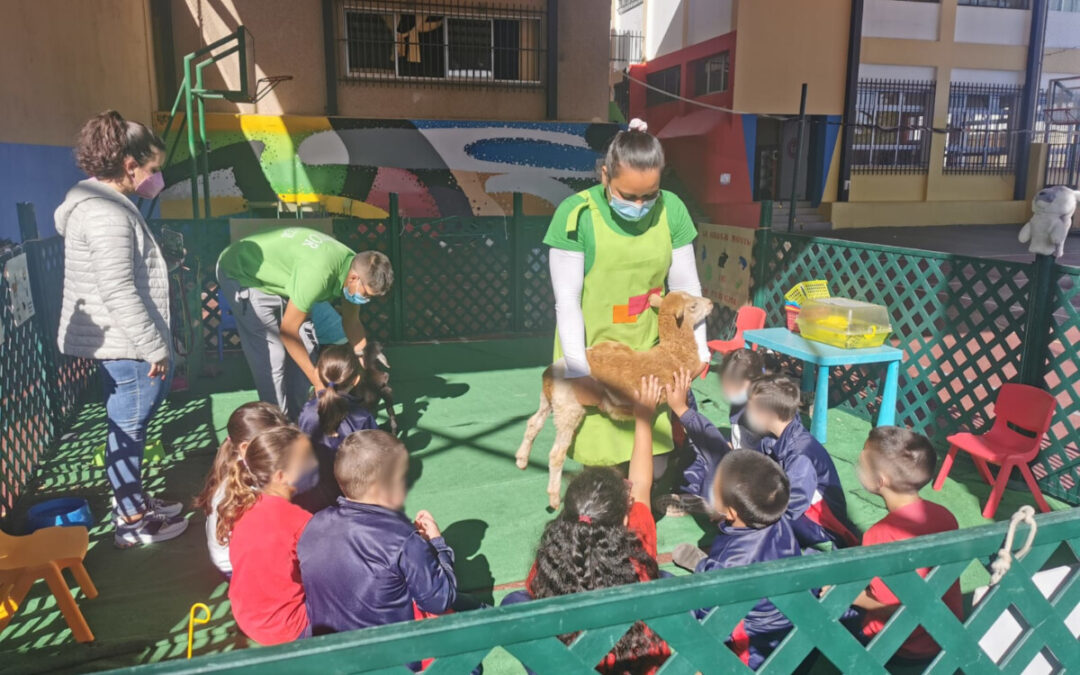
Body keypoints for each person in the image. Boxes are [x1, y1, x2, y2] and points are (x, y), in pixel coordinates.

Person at [545, 118, 709, 473]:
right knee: (601, 464)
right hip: (594, 354)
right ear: (604, 176)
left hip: (650, 353)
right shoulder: (575, 216)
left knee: (656, 459)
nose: (639, 205)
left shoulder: (672, 209)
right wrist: (578, 370)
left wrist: (701, 347)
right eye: (628, 196)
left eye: (649, 195)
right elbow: (567, 301)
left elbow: (686, 288)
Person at [56, 110, 187, 547]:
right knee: (128, 432)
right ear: (130, 165)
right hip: (127, 345)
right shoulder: (106, 214)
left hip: (122, 342)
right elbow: (118, 288)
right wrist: (155, 348)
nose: (156, 177)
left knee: (128, 430)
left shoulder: (98, 204)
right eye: (153, 168)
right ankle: (131, 520)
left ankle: (134, 502)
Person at [503, 375, 671, 675]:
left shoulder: (553, 554)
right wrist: (643, 419)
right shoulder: (637, 538)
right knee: (667, 579)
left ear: (570, 513)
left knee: (515, 602)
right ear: (623, 519)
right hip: (633, 661)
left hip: (568, 662)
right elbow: (642, 484)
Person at [216, 227, 394, 420]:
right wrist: (317, 382)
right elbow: (288, 332)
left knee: (308, 349)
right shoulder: (319, 274)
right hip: (245, 273)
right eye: (366, 294)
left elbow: (351, 320)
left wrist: (363, 361)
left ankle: (299, 418)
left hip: (285, 280)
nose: (365, 300)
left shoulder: (354, 267)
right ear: (353, 278)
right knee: (273, 355)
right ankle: (276, 426)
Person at [298, 430, 457, 638]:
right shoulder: (404, 539)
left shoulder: (314, 524)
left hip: (329, 650)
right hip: (388, 657)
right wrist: (437, 545)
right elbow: (440, 600)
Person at [671, 450, 801, 670]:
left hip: (750, 650)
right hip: (789, 629)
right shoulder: (777, 521)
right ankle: (705, 566)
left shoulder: (728, 564)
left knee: (667, 588)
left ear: (731, 512)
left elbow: (708, 613)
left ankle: (705, 569)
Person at [850, 426, 962, 660]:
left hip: (901, 645)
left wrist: (848, 595)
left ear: (880, 481)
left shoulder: (878, 535)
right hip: (945, 634)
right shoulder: (946, 516)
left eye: (862, 461)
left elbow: (892, 609)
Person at [223, 425, 318, 645]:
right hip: (287, 627)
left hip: (247, 616)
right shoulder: (299, 521)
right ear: (282, 476)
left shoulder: (243, 503)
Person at [745, 376, 860, 548]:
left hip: (821, 526)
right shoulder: (773, 438)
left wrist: (750, 512)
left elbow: (793, 505)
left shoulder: (801, 454)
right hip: (796, 508)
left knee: (755, 522)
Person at [193, 401, 288, 577]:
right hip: (238, 568)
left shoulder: (236, 462)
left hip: (233, 557)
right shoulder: (247, 481)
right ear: (245, 447)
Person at [294, 345, 377, 512]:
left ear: (318, 374)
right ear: (355, 380)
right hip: (350, 501)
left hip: (310, 497)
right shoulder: (362, 417)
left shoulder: (307, 411)